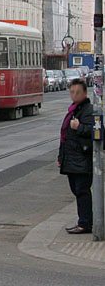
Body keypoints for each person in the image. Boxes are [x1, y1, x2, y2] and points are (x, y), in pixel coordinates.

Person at [58, 78, 95, 234]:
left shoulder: (88, 110)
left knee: (82, 191)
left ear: (85, 93)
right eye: (72, 92)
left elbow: (95, 131)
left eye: (78, 92)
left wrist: (79, 127)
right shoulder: (73, 110)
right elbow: (65, 137)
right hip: (72, 159)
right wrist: (61, 157)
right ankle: (84, 221)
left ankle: (85, 223)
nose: (74, 95)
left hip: (82, 159)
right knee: (77, 190)